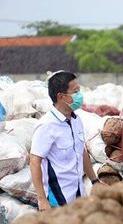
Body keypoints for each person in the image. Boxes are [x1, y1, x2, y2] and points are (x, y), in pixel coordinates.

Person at [30, 71, 99, 211]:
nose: (80, 95)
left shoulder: (76, 120)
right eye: (75, 91)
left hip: (77, 193)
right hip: (57, 198)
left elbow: (81, 151)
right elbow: (34, 162)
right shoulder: (46, 125)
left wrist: (94, 181)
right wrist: (42, 200)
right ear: (61, 96)